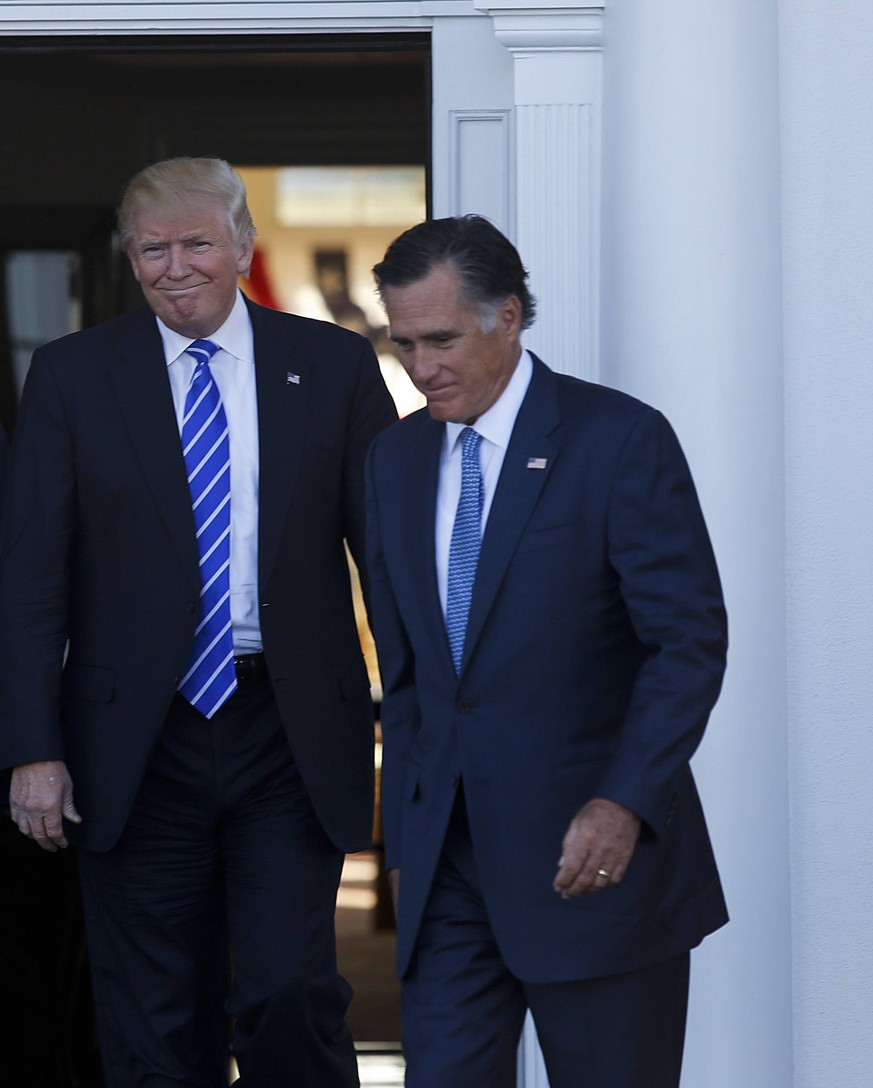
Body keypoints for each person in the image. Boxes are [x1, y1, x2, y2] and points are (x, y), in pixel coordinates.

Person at [0, 157, 397, 1088]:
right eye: (152, 250)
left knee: (289, 990)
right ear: (129, 258)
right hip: (132, 739)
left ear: (243, 246)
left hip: (284, 728)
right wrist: (32, 749)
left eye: (197, 245)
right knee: (151, 1016)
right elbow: (28, 578)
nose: (175, 267)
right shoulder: (71, 376)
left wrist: (421, 719)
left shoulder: (332, 365)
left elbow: (386, 560)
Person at [364, 215, 729, 1088]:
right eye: (404, 342)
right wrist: (406, 840)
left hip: (593, 865)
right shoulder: (393, 459)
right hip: (447, 873)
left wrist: (622, 802)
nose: (421, 368)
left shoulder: (617, 440)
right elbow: (410, 664)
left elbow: (685, 642)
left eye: (442, 339)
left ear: (510, 316)